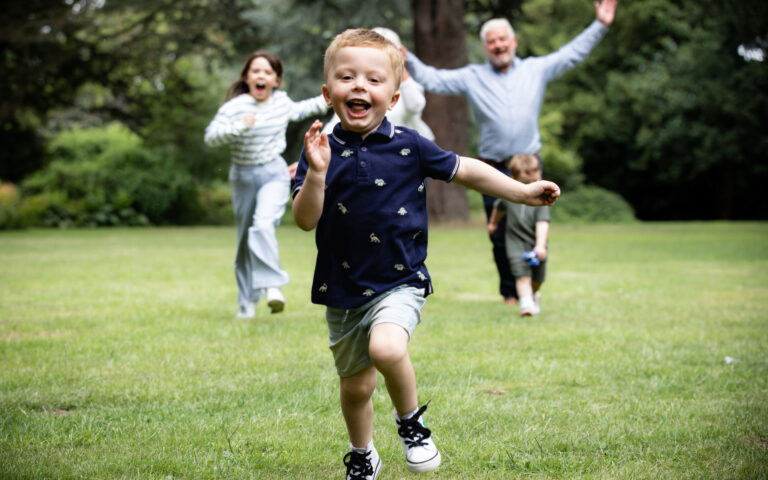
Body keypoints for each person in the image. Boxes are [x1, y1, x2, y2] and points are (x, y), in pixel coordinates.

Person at [291, 29, 560, 480]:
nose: (360, 86)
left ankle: (411, 424)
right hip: (342, 287)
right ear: (326, 92)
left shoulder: (410, 144)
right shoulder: (319, 150)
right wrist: (316, 173)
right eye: (347, 77)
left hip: (400, 278)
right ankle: (363, 453)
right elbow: (304, 219)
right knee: (356, 388)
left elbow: (466, 170)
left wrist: (522, 192)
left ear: (394, 98)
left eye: (374, 80)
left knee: (386, 347)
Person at [404, 0, 617, 306]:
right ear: (485, 48)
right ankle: (510, 292)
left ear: (514, 41)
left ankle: (531, 286)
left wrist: (600, 25)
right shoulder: (473, 76)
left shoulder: (535, 69)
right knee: (499, 232)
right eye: (492, 42)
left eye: (503, 39)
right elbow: (434, 78)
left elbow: (572, 54)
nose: (498, 45)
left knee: (532, 228)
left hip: (529, 166)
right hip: (493, 167)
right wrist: (407, 58)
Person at [204, 50, 329, 319]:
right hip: (242, 178)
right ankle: (247, 302)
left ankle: (273, 285)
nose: (261, 76)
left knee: (262, 226)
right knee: (244, 242)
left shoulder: (281, 102)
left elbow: (308, 107)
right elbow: (211, 137)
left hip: (274, 173)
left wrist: (335, 92)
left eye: (267, 72)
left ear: (276, 80)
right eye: (256, 71)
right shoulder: (235, 107)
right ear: (247, 78)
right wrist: (239, 126)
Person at [321, 27, 435, 141]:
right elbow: (336, 121)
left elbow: (415, 106)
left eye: (374, 80)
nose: (360, 85)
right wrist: (321, 140)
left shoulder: (408, 85)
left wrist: (401, 69)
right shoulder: (351, 92)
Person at [487, 154, 550, 317]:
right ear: (513, 179)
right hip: (514, 242)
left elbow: (542, 223)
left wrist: (540, 245)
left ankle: (533, 295)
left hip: (536, 243)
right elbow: (499, 207)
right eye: (525, 183)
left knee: (537, 279)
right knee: (521, 276)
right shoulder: (510, 195)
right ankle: (526, 305)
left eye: (534, 181)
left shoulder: (542, 198)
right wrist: (493, 223)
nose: (530, 188)